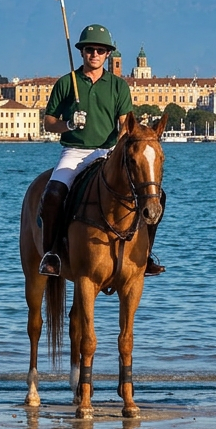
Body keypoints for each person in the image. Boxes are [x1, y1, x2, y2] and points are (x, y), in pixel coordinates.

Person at [37, 23, 165, 278]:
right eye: (89, 49)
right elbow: (48, 122)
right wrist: (69, 124)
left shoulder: (118, 86)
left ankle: (146, 254)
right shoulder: (66, 83)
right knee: (52, 195)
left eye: (100, 50)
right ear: (82, 52)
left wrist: (118, 145)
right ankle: (51, 254)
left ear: (108, 55)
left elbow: (125, 124)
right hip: (74, 151)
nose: (94, 54)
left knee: (156, 196)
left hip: (106, 152)